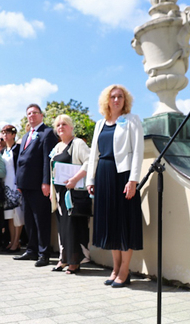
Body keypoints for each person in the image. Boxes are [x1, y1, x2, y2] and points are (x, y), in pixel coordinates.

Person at [86, 84, 143, 288]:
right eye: (113, 97)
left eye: (120, 97)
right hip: (104, 175)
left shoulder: (132, 120)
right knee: (110, 223)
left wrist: (133, 180)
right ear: (107, 101)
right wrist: (90, 180)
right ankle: (115, 267)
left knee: (124, 224)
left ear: (125, 100)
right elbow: (94, 154)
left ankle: (124, 271)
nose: (116, 100)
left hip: (123, 176)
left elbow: (138, 151)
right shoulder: (100, 124)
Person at [14, 104, 58, 267]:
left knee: (42, 220)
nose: (31, 116)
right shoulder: (26, 136)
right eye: (29, 114)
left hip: (40, 185)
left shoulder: (47, 133)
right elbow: (21, 160)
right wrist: (19, 182)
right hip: (25, 185)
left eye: (34, 113)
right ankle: (31, 250)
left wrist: (46, 181)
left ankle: (43, 253)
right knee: (29, 220)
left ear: (41, 115)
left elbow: (48, 159)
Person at [49, 115, 90, 274]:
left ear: (71, 127)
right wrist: (53, 192)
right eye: (58, 125)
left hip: (74, 194)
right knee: (63, 228)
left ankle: (75, 262)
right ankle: (63, 259)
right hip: (60, 195)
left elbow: (89, 162)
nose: (61, 127)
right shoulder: (58, 147)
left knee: (74, 227)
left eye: (64, 124)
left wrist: (74, 179)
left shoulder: (78, 143)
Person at [0, 125, 24, 253]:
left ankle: (16, 241)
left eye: (8, 132)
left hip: (16, 185)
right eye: (3, 132)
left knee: (17, 214)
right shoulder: (4, 151)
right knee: (9, 215)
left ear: (14, 134)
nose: (5, 135)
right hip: (6, 185)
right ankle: (12, 240)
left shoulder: (18, 149)